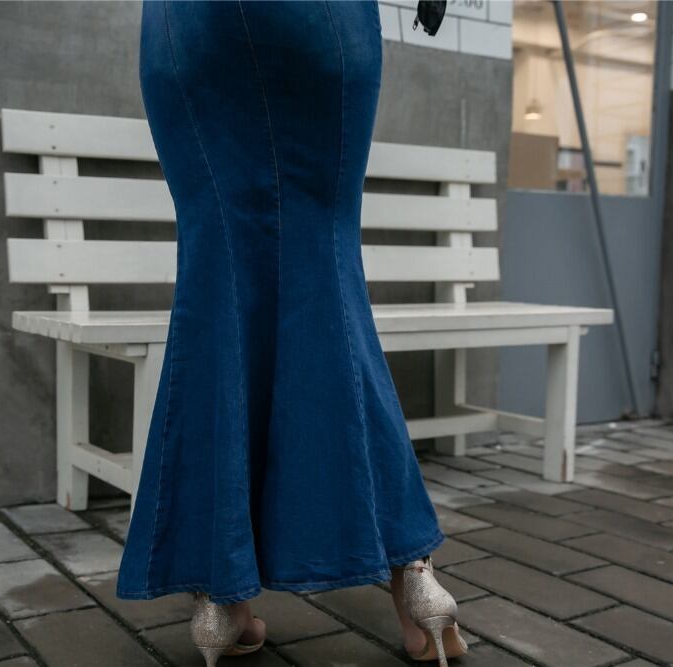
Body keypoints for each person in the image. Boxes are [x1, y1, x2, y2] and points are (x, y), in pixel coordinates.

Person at [116, 2, 467, 665]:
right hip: (313, 20)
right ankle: (416, 579)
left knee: (216, 273)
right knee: (325, 264)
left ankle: (219, 598)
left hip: (188, 27)